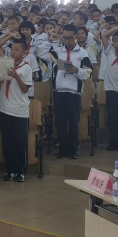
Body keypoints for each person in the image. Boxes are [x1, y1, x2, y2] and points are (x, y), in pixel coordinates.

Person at [44, 24, 93, 159]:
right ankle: (62, 147)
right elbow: (41, 53)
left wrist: (77, 70)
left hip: (74, 92)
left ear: (76, 37)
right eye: (64, 38)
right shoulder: (57, 50)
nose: (67, 41)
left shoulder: (82, 52)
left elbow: (89, 72)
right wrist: (50, 40)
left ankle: (72, 148)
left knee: (73, 121)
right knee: (60, 121)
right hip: (59, 90)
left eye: (70, 38)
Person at [0, 40, 33, 182]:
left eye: (17, 50)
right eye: (12, 49)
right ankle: (10, 170)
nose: (13, 52)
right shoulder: (7, 64)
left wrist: (16, 76)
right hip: (4, 107)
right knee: (7, 141)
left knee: (20, 142)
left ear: (24, 53)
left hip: (19, 110)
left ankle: (20, 171)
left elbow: (25, 89)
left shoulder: (26, 68)